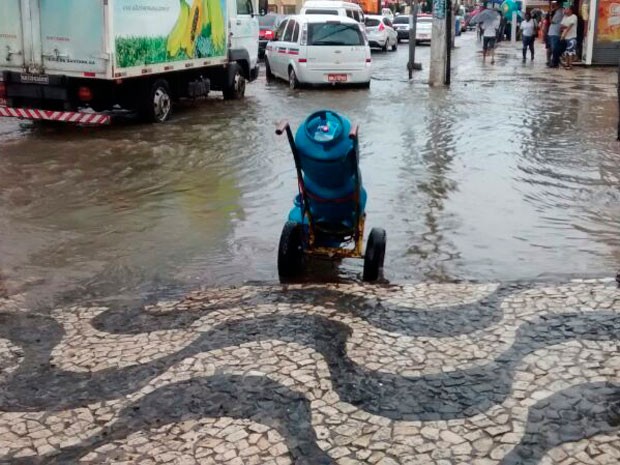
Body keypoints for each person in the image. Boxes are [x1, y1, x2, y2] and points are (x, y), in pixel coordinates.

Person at [547, 1, 564, 68]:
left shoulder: (559, 12)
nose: (553, 7)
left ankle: (555, 62)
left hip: (555, 33)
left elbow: (552, 21)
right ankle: (553, 61)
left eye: (554, 5)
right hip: (553, 32)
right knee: (552, 48)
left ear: (558, 5)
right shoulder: (558, 12)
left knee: (554, 49)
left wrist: (551, 14)